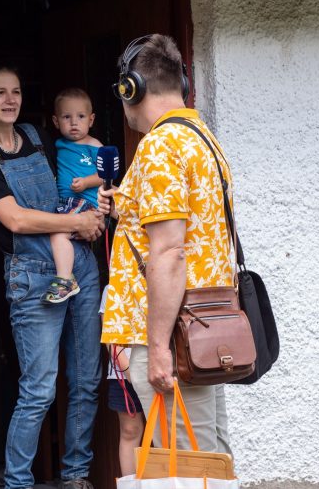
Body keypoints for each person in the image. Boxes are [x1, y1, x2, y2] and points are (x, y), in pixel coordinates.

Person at [0, 67, 105, 489]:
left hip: (79, 263)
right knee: (39, 389)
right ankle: (18, 483)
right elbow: (15, 219)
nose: (10, 100)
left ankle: (77, 475)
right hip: (31, 275)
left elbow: (73, 179)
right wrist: (75, 224)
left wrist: (94, 208)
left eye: (16, 91)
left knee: (86, 381)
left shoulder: (39, 136)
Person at [100, 35, 235, 456]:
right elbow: (188, 231)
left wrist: (158, 348)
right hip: (201, 325)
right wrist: (127, 206)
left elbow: (170, 251)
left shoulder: (159, 147)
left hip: (170, 335)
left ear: (130, 89)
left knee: (187, 467)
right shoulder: (199, 138)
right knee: (209, 461)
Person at [44, 88, 104, 303]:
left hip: (86, 202)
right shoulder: (59, 144)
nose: (74, 123)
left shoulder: (94, 145)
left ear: (91, 119)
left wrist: (87, 182)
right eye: (66, 117)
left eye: (80, 117)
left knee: (58, 232)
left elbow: (108, 175)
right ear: (56, 121)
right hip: (67, 202)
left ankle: (65, 279)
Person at [99, 286, 145, 476]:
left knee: (164, 432)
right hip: (123, 371)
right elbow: (110, 336)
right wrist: (128, 371)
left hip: (158, 367)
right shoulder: (112, 288)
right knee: (130, 430)